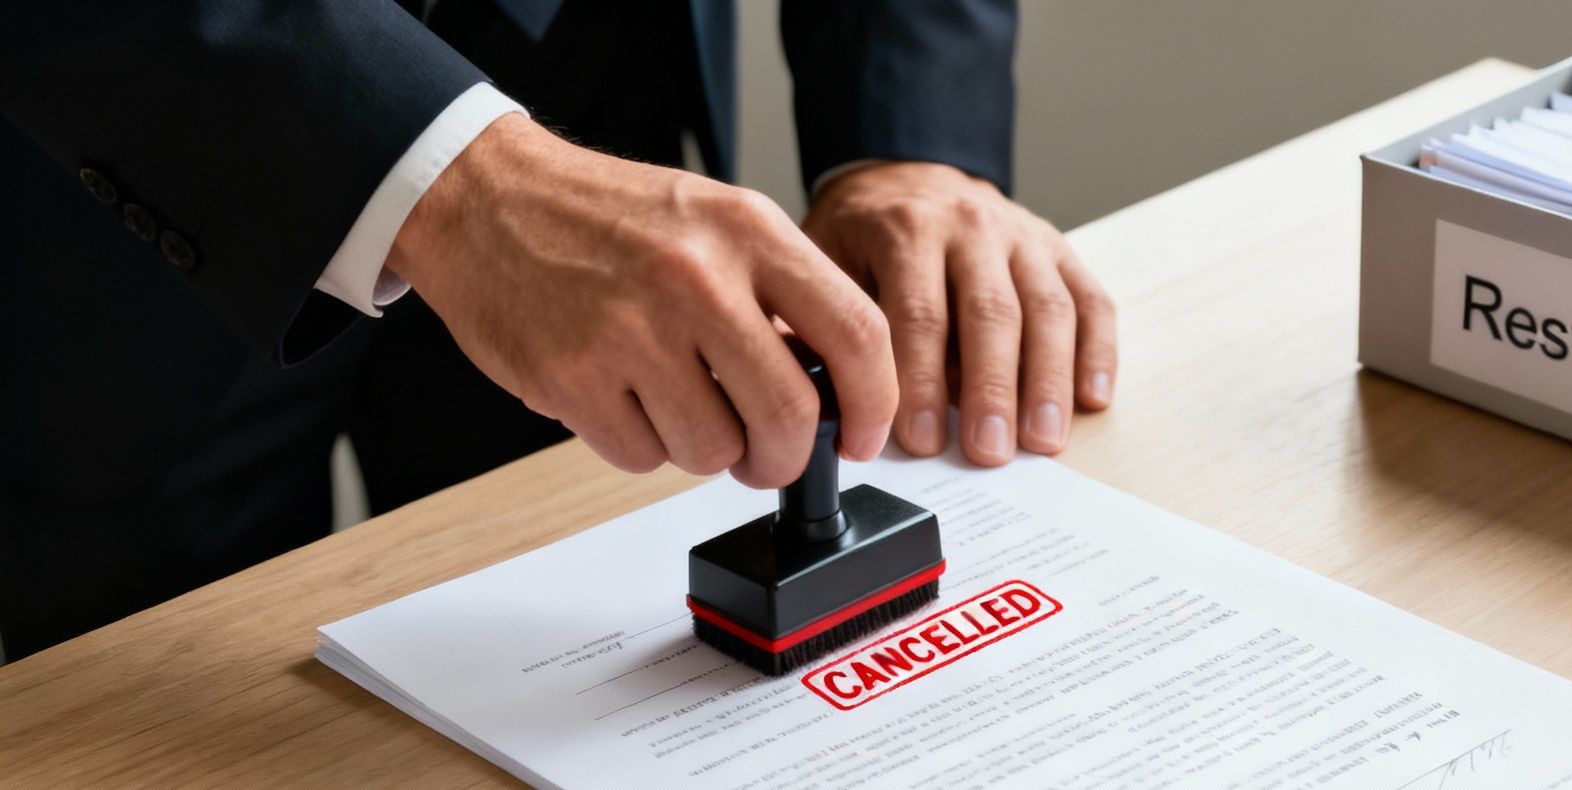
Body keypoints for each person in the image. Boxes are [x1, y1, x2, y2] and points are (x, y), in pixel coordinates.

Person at [0, 0, 1116, 659]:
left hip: (603, 62)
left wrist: (903, 134)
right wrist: (455, 182)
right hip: (133, 178)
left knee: (583, 688)